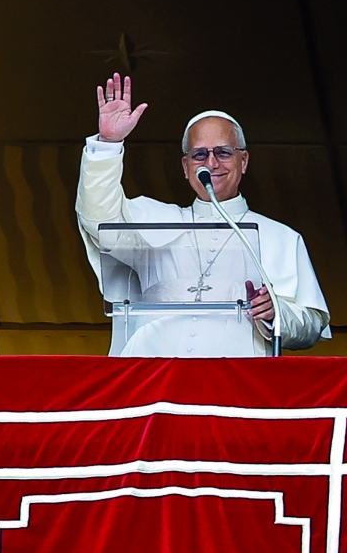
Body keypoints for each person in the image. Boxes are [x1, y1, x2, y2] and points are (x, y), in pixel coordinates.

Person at [76, 73, 331, 357]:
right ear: (185, 167)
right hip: (154, 383)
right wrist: (108, 145)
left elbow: (313, 324)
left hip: (237, 388)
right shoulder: (154, 221)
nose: (211, 163)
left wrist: (276, 312)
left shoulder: (281, 237)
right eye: (199, 155)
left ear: (243, 161)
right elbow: (97, 218)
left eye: (223, 152)